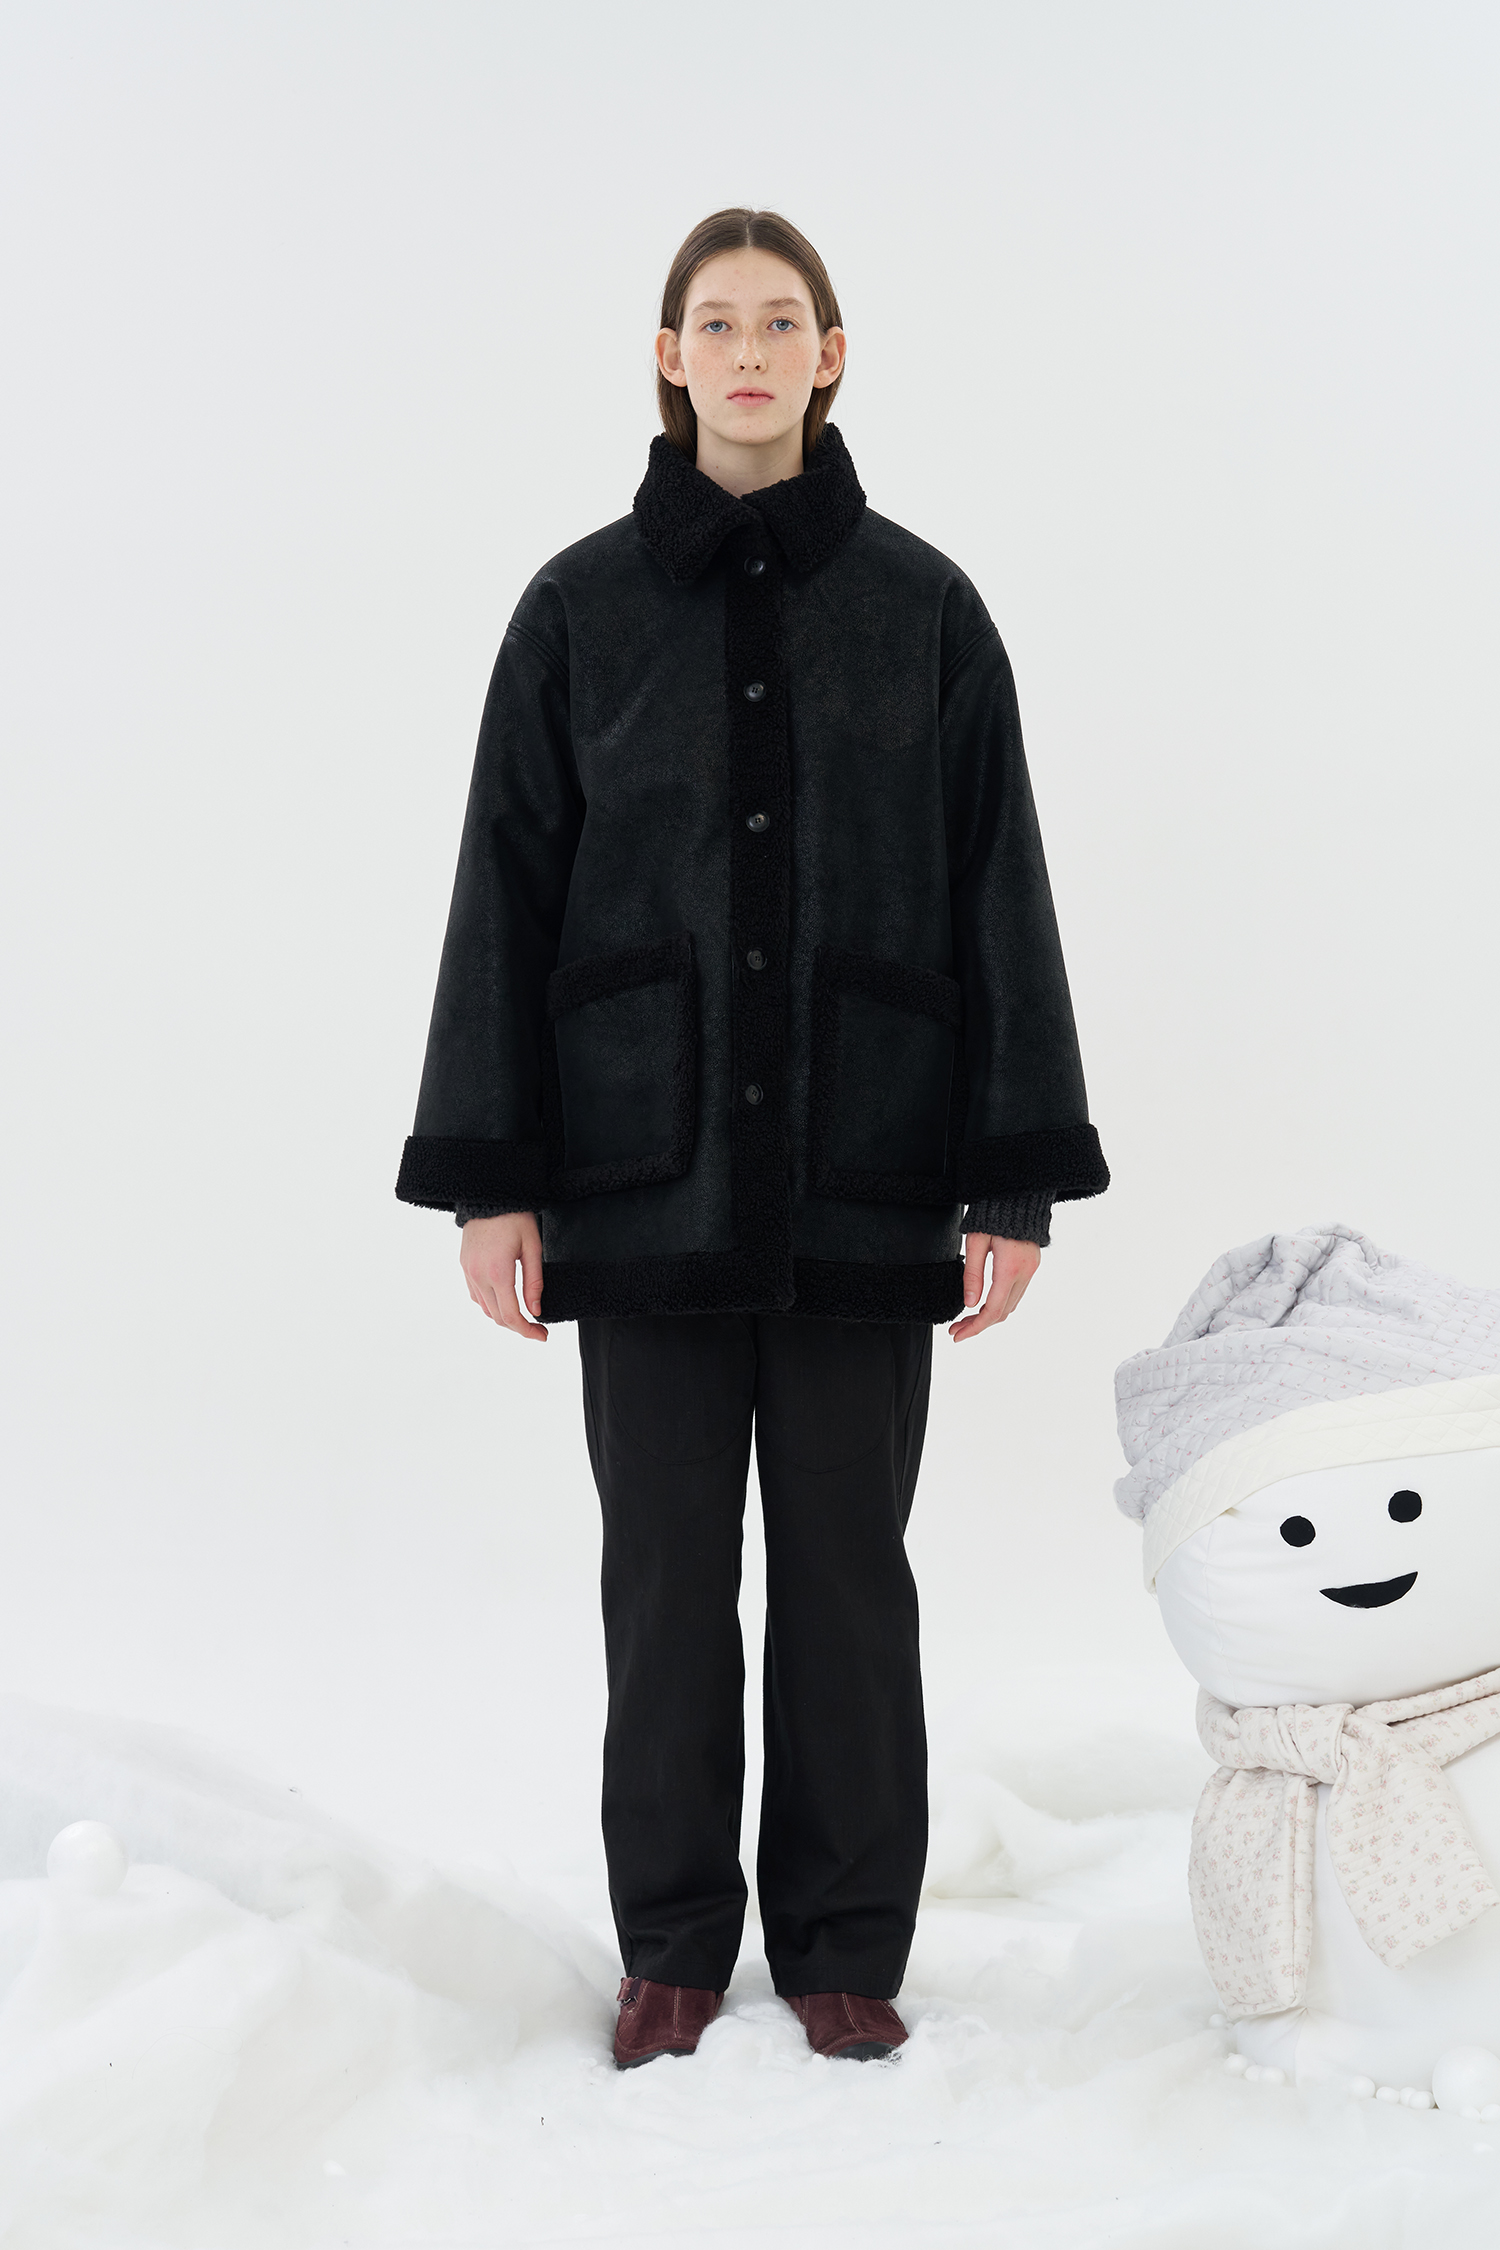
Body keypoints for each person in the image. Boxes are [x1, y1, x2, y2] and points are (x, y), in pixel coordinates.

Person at [396, 208, 1108, 2069]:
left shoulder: (927, 608)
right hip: (641, 1178)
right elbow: (504, 892)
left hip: (872, 1171)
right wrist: (492, 1176)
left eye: (781, 321)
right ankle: (674, 1943)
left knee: (851, 1576)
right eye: (714, 323)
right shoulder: (575, 610)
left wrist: (1013, 1170)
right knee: (664, 1580)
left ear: (832, 355)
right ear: (667, 357)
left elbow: (997, 885)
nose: (748, 352)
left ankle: (848, 1943)